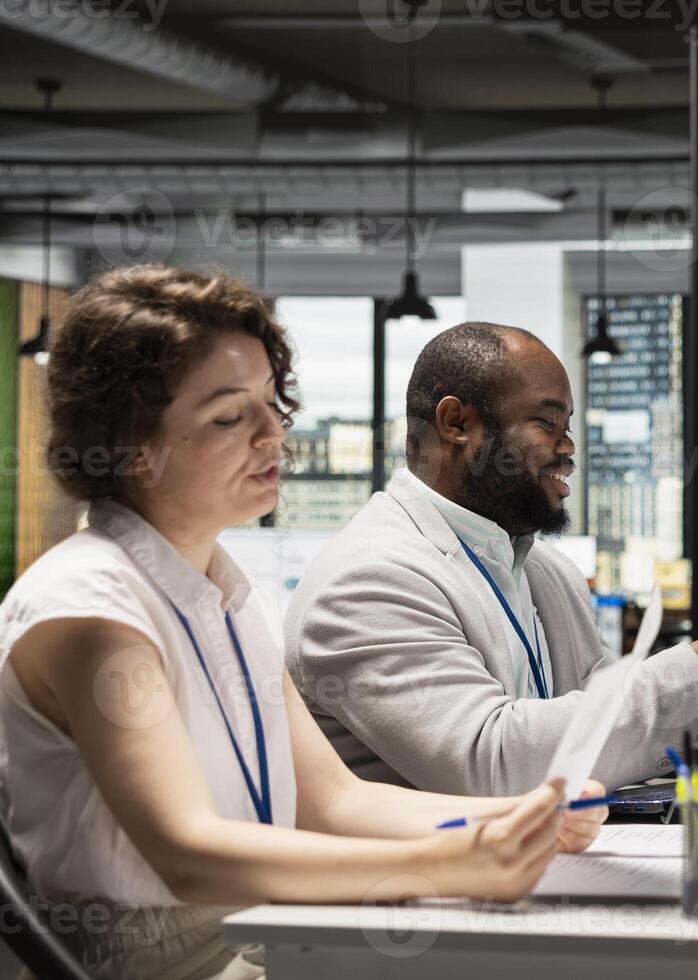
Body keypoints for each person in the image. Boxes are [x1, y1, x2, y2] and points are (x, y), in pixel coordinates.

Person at [0, 267, 606, 980]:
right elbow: (192, 856)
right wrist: (450, 858)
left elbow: (332, 801)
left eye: (269, 402)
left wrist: (519, 818)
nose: (273, 435)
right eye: (230, 416)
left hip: (271, 945)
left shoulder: (223, 594)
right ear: (130, 443)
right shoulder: (91, 607)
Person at [285, 322, 698, 796]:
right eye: (547, 422)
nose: (568, 446)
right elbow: (490, 765)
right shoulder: (368, 580)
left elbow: (610, 730)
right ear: (456, 424)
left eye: (568, 426)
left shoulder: (543, 571)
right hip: (409, 903)